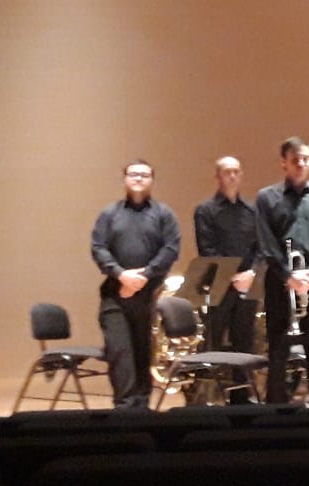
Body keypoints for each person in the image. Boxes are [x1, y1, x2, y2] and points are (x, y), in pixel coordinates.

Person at [254, 137, 309, 406]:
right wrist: (288, 275)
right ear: (284, 163)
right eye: (295, 159)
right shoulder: (267, 197)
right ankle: (276, 404)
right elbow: (266, 241)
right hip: (281, 280)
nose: (301, 164)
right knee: (278, 342)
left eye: (305, 159)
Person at [90, 159, 182, 409]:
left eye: (144, 174)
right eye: (133, 174)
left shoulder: (164, 215)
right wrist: (121, 275)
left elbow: (171, 248)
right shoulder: (109, 214)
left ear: (152, 180)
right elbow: (98, 248)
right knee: (120, 352)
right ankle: (124, 408)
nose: (138, 178)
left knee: (143, 352)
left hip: (148, 295)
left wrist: (144, 276)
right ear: (125, 179)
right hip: (115, 295)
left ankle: (141, 408)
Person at [192, 156, 258, 361]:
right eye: (227, 172)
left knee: (245, 343)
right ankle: (214, 382)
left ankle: (242, 384)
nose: (232, 176)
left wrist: (251, 273)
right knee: (214, 342)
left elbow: (260, 247)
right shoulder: (205, 210)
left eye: (236, 172)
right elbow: (206, 249)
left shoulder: (252, 211)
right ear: (218, 177)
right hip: (218, 285)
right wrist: (231, 276)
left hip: (247, 285)